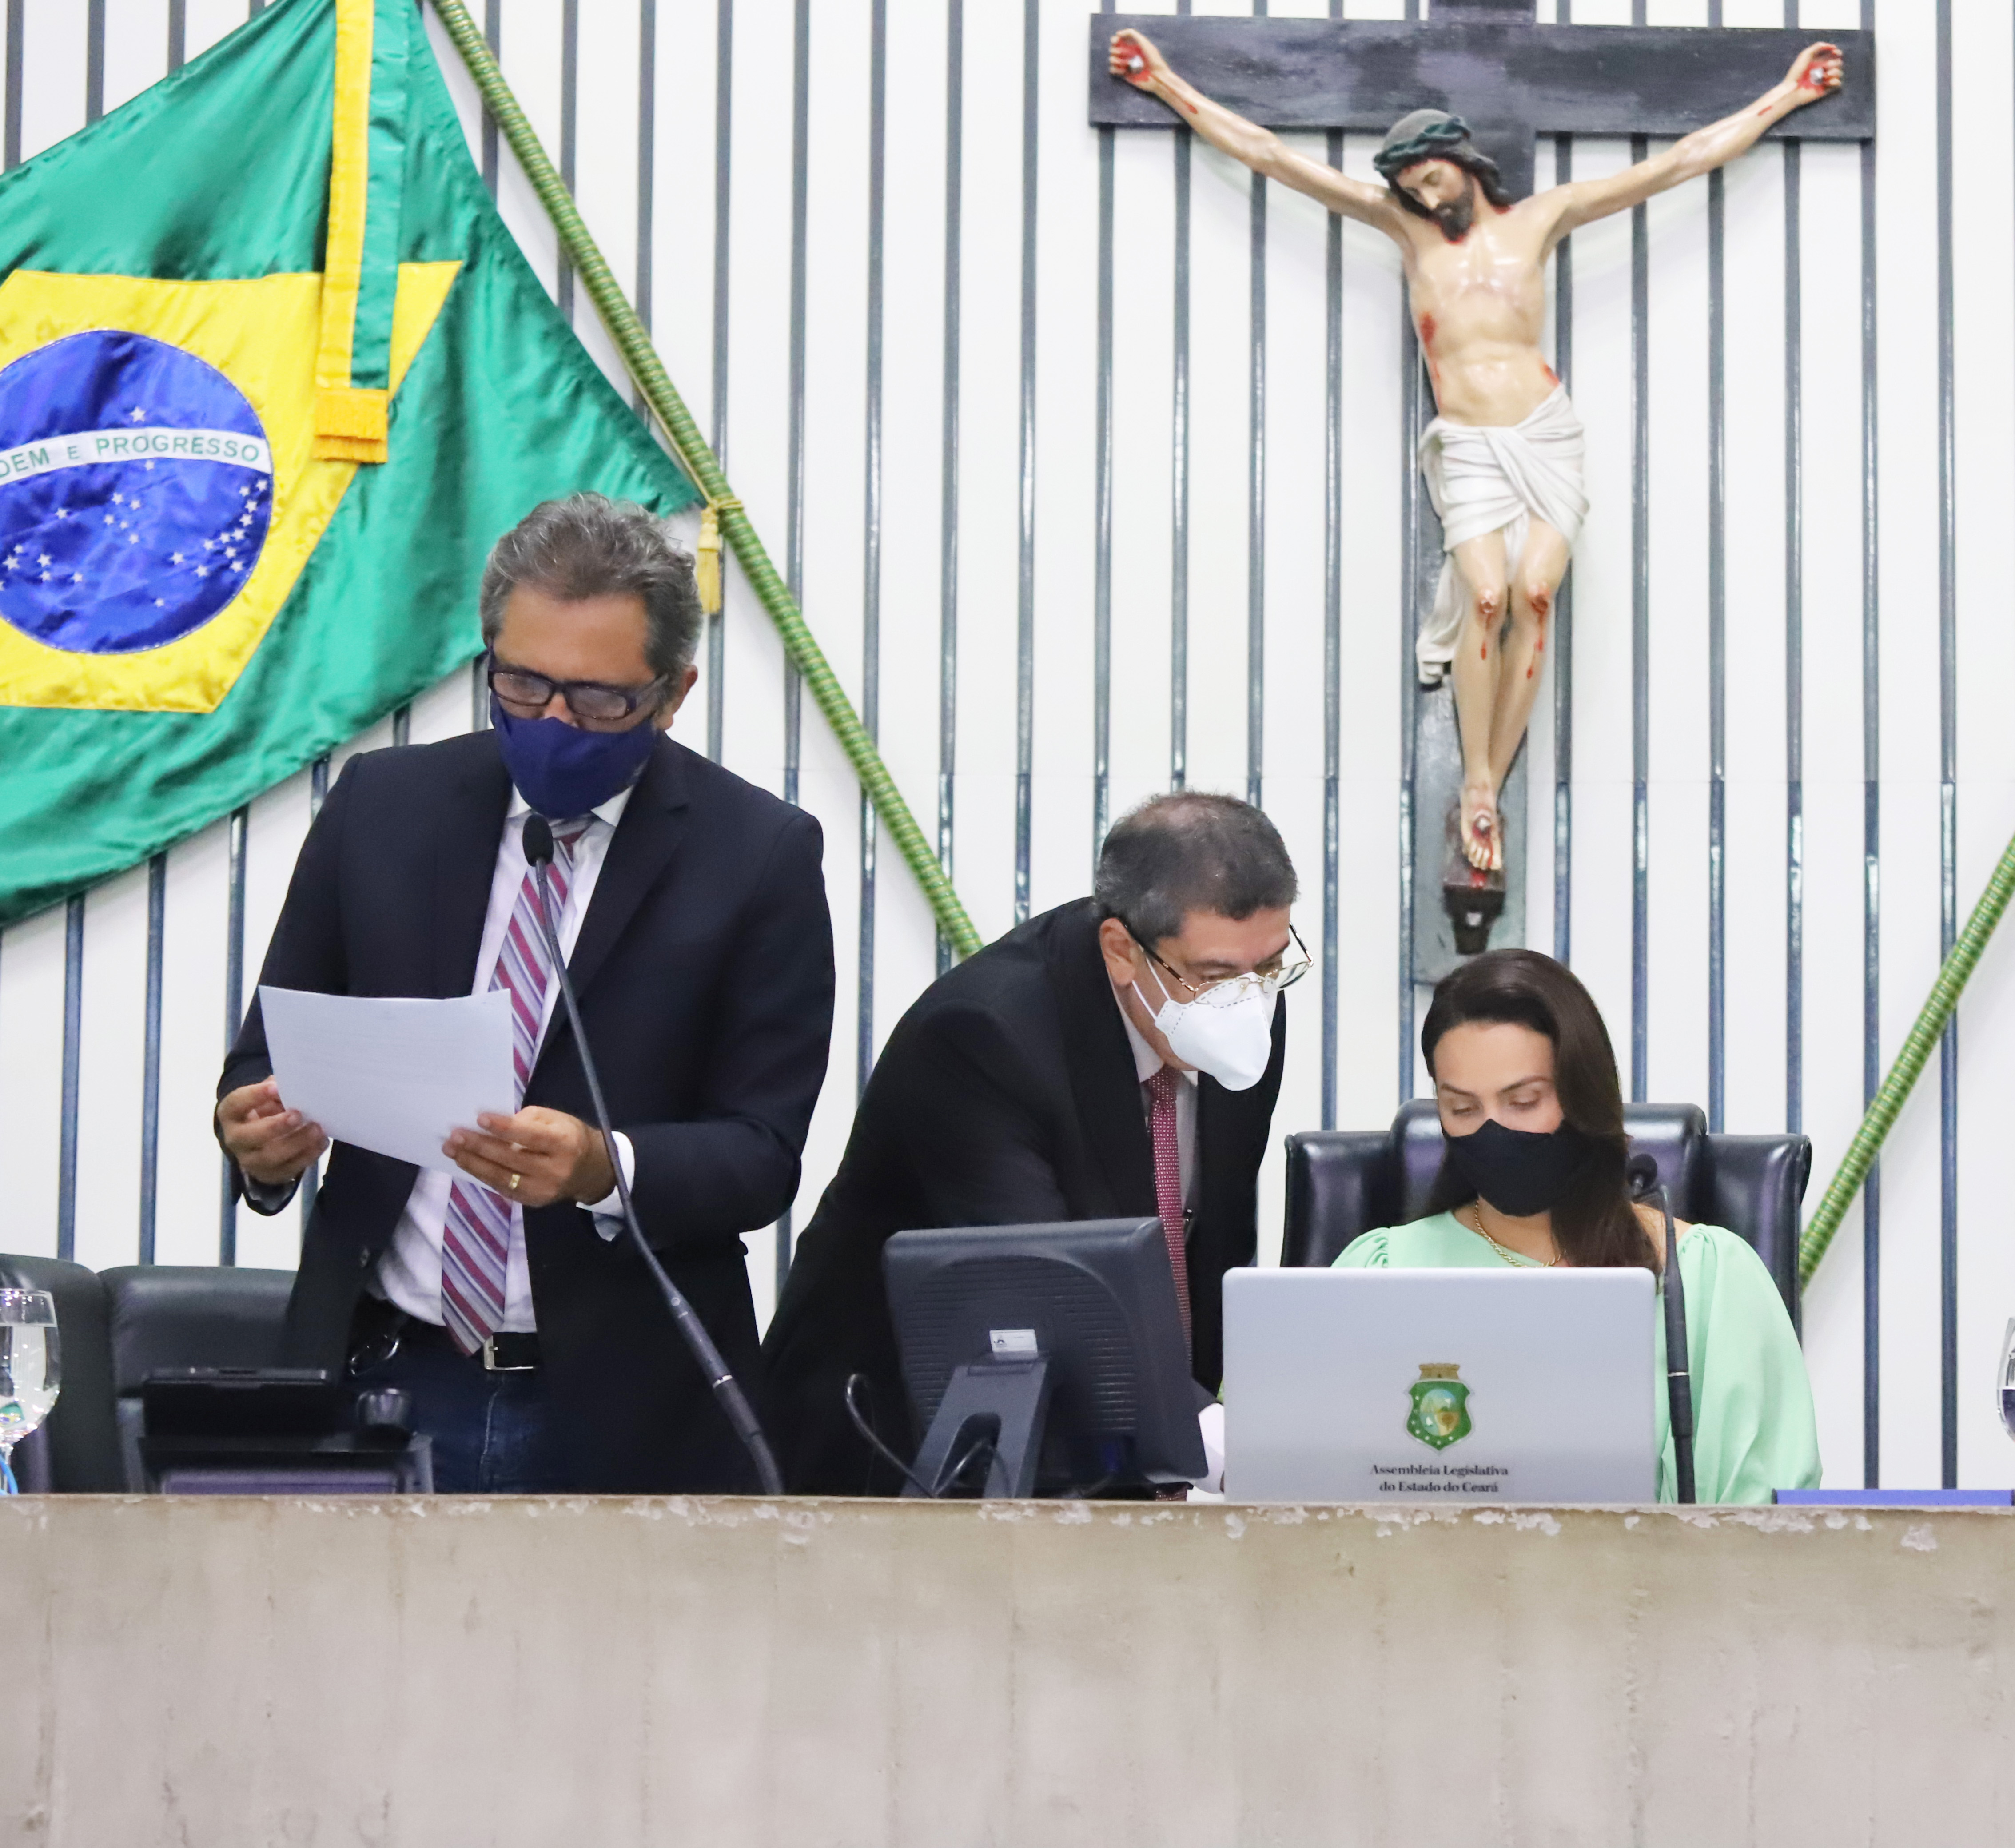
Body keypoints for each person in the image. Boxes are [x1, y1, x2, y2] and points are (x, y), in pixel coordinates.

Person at [1108, 27, 1843, 876]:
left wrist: (1787, 96)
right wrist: (1166, 84)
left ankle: (1491, 775)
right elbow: (1272, 157)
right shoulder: (1405, 231)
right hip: (1467, 442)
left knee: (1537, 593)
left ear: (1463, 162)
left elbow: (1680, 163)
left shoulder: (1543, 218)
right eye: (1412, 189)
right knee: (1487, 596)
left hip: (1544, 431)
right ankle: (1480, 780)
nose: (1425, 198)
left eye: (1433, 179)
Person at [213, 493, 834, 1494]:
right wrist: (257, 1139)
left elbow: (761, 1154)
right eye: (523, 683)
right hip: (381, 1378)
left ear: (673, 692)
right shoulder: (382, 806)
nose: (552, 722)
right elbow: (268, 1053)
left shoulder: (758, 856)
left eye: (597, 701)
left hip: (622, 1406)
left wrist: (603, 1166)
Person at [763, 792, 1301, 1494]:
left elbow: (1212, 1237)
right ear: (1121, 950)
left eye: (1273, 966)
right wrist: (1210, 1439)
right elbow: (1049, 1292)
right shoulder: (981, 1036)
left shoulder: (1242, 1003)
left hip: (1116, 1443)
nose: (1251, 1000)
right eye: (1217, 977)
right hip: (900, 1446)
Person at [1332, 949, 1819, 1505]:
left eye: (1523, 1101)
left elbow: (1760, 1525)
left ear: (1584, 1095)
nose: (1494, 1130)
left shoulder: (1706, 1278)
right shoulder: (1377, 1273)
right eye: (1462, 1108)